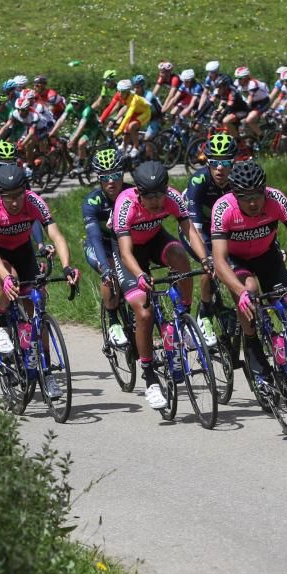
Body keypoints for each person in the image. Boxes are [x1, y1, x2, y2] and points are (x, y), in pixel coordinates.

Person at [210, 160, 287, 416]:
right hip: (235, 261)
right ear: (234, 193)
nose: (253, 202)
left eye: (257, 195)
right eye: (246, 197)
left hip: (267, 256)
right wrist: (240, 292)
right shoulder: (224, 208)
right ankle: (257, 361)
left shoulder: (275, 199)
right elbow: (219, 261)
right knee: (250, 293)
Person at [110, 161, 210, 410]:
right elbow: (125, 252)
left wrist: (206, 259)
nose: (156, 201)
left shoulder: (172, 197)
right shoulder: (125, 204)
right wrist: (141, 275)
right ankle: (150, 377)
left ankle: (182, 317)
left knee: (179, 255)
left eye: (160, 195)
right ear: (139, 193)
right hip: (129, 252)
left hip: (155, 239)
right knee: (143, 312)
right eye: (149, 196)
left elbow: (189, 232)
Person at [0, 163, 80, 399]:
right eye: (8, 197)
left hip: (23, 251)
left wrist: (67, 266)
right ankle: (0, 323)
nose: (15, 202)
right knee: (11, 279)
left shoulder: (34, 202)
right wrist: (4, 278)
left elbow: (56, 235)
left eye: (19, 195)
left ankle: (45, 371)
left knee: (37, 307)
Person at [182, 133, 239, 346]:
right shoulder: (199, 181)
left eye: (225, 163)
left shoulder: (237, 180)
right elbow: (193, 228)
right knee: (210, 263)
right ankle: (204, 314)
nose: (220, 169)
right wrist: (207, 257)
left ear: (233, 162)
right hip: (196, 229)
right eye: (214, 163)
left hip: (223, 229)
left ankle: (229, 309)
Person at [81, 148, 133, 347]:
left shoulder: (131, 193)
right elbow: (94, 236)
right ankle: (113, 321)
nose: (111, 181)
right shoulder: (92, 202)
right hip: (100, 246)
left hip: (124, 245)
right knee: (110, 271)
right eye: (105, 177)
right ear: (99, 178)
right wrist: (105, 268)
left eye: (116, 175)